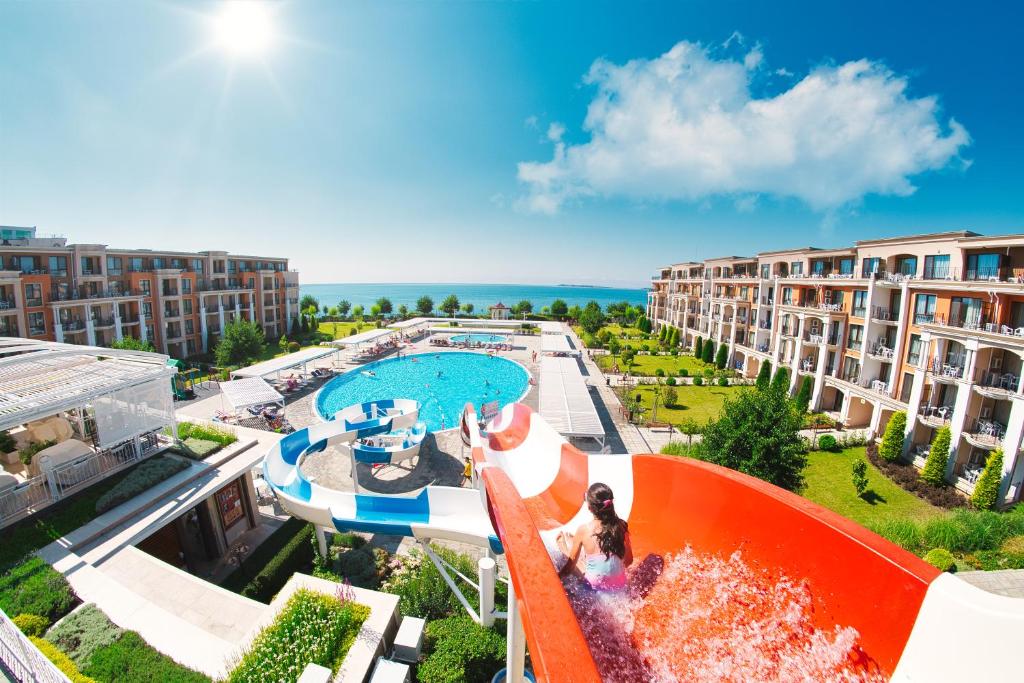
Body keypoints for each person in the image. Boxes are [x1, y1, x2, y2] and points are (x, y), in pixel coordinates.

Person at [557, 483, 632, 591]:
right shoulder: (621, 526)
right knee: (602, 559)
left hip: (594, 589)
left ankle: (565, 549)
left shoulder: (583, 530)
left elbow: (569, 569)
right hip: (620, 586)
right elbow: (629, 561)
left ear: (589, 508)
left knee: (577, 563)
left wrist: (557, 577)